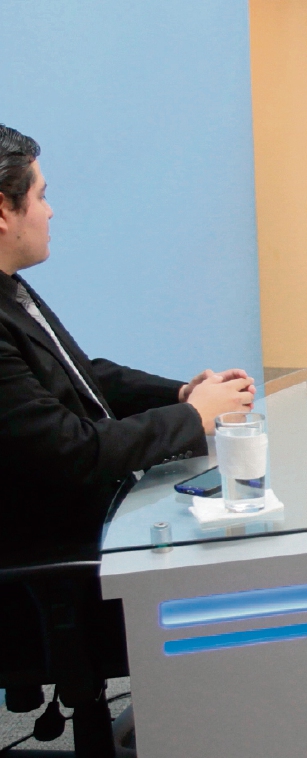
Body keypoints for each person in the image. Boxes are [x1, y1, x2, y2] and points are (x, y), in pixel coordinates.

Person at [0, 124, 255, 563]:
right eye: (41, 197)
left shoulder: (11, 293)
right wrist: (194, 416)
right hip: (57, 569)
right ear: (3, 211)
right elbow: (72, 450)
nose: (50, 212)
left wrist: (180, 395)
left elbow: (78, 373)